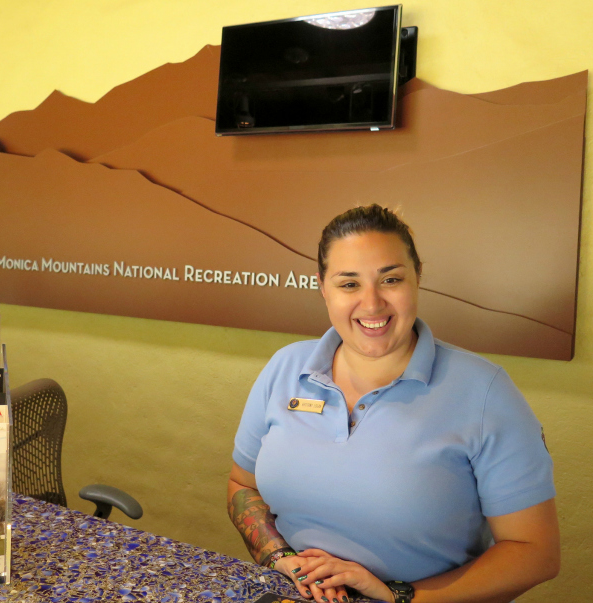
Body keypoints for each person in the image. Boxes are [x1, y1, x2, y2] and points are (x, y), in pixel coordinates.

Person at [227, 205, 559, 603]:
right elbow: (241, 485)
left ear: (418, 277)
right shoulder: (285, 367)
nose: (371, 304)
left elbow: (535, 553)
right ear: (322, 287)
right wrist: (281, 558)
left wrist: (395, 594)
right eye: (349, 284)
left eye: (391, 279)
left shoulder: (485, 392)